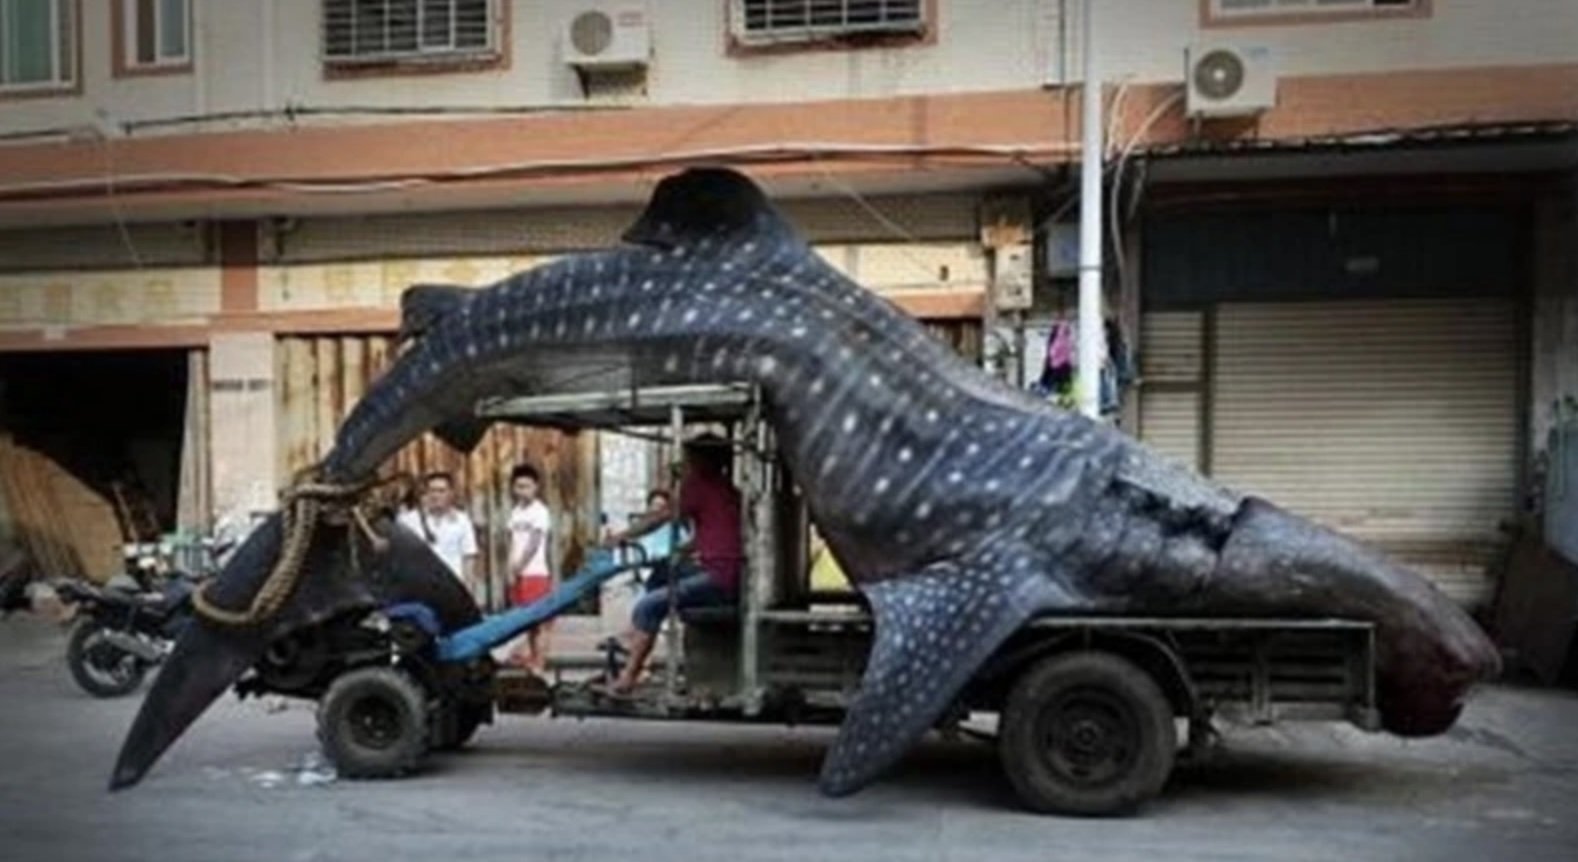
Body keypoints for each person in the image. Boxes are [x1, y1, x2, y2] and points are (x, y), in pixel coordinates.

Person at [604, 434, 742, 695]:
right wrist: (683, 549)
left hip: (718, 576)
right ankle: (636, 635)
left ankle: (629, 676)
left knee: (649, 605)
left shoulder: (699, 486)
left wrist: (621, 537)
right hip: (727, 571)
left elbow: (662, 516)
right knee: (661, 573)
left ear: (701, 461)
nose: (686, 464)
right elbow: (714, 534)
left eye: (689, 458)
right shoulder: (727, 489)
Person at [396, 472, 480, 594]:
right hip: (420, 588)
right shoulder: (409, 520)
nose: (436, 495)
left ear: (451, 494)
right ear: (426, 493)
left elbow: (468, 558)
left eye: (441, 491)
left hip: (452, 587)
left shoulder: (461, 521)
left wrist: (468, 591)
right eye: (432, 490)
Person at [505, 463, 554, 672]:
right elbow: (511, 542)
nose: (522, 491)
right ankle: (532, 657)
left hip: (535, 573)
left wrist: (520, 565)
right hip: (518, 573)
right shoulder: (515, 511)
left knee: (540, 622)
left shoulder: (540, 511)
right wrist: (509, 568)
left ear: (536, 487)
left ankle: (540, 663)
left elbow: (534, 543)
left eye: (526, 486)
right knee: (527, 622)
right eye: (518, 486)